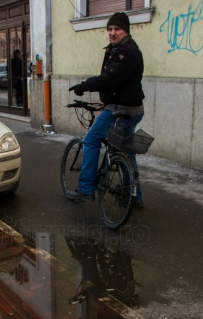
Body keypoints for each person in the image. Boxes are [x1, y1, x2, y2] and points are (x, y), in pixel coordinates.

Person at [67, 12, 145, 208]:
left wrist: (83, 86)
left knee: (91, 140)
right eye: (110, 29)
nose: (112, 33)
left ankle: (85, 189)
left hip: (120, 109)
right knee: (125, 151)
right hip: (131, 108)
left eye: (117, 29)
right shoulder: (119, 49)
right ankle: (134, 197)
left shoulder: (126, 52)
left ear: (126, 31)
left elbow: (109, 79)